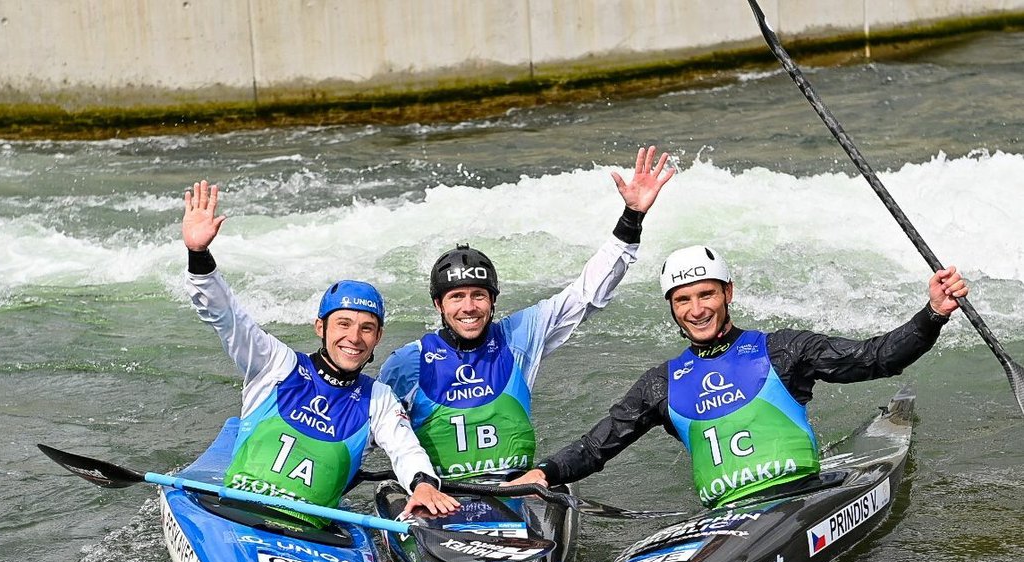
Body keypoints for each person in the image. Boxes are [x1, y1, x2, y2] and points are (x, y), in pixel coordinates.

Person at [509, 244, 969, 506]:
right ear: (670, 307)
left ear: (727, 292)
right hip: (726, 518)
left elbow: (876, 359)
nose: (696, 310)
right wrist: (544, 473)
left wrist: (932, 313)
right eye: (682, 300)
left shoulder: (783, 350)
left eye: (706, 295)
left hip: (801, 502)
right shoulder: (660, 383)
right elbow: (597, 445)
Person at [379, 145, 676, 480]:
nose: (468, 307)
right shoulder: (406, 363)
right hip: (441, 499)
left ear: (493, 301)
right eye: (456, 297)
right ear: (438, 305)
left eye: (479, 295)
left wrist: (631, 217)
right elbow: (376, 431)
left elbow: (586, 295)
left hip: (515, 491)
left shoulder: (519, 336)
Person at [181, 179, 459, 520]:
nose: (354, 337)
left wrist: (423, 483)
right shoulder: (275, 365)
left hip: (315, 535)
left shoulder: (379, 400)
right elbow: (226, 317)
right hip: (238, 515)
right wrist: (198, 256)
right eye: (343, 324)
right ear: (320, 328)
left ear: (378, 337)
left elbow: (405, 448)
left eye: (366, 328)